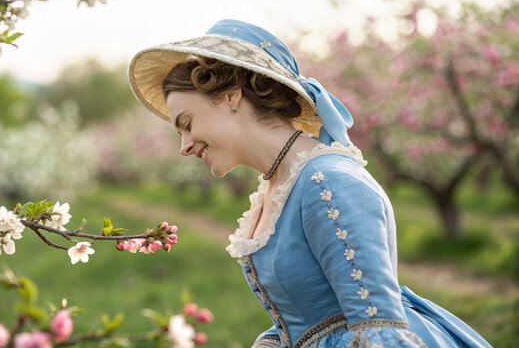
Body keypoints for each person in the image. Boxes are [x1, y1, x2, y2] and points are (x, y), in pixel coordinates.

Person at [128, 19, 492, 348]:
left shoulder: (326, 182)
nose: (184, 146)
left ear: (231, 96)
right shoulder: (280, 185)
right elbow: (309, 312)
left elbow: (376, 329)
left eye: (187, 123)